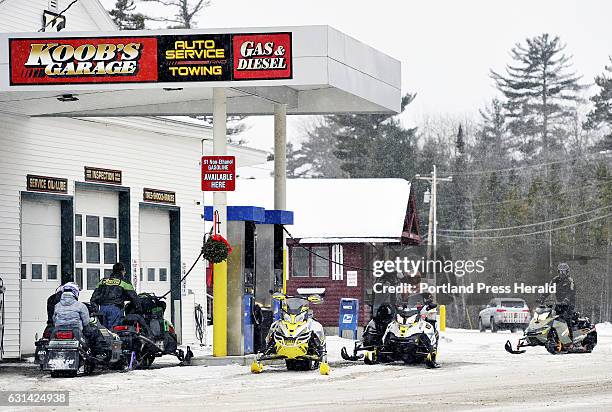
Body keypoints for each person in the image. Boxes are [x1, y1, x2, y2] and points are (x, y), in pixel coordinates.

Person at [91, 262, 140, 329]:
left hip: (102, 308)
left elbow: (94, 297)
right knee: (114, 332)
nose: (125, 273)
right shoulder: (125, 282)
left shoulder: (103, 281)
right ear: (122, 271)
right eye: (124, 271)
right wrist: (138, 309)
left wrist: (95, 310)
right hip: (115, 309)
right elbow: (134, 298)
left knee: (104, 332)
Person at [540, 262, 576, 338]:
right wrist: (542, 297)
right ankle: (550, 335)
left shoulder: (570, 281)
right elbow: (549, 289)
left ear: (567, 272)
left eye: (564, 271)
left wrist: (566, 299)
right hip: (559, 303)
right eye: (560, 271)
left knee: (566, 318)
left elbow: (572, 292)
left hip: (569, 304)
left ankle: (570, 338)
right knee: (552, 318)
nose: (562, 273)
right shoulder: (555, 280)